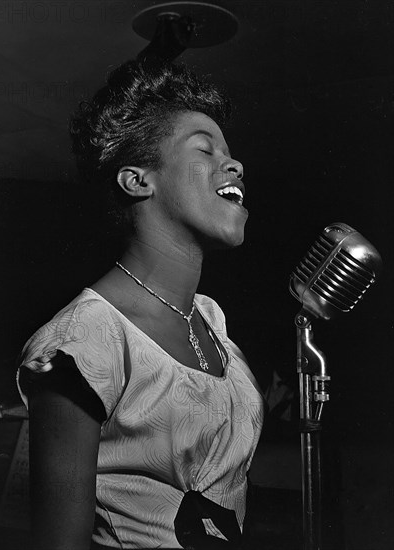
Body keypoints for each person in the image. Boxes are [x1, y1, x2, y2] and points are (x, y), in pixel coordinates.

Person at [17, 60, 265, 550]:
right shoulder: (83, 340)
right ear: (137, 181)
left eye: (230, 152)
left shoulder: (210, 321)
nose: (233, 164)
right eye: (204, 148)